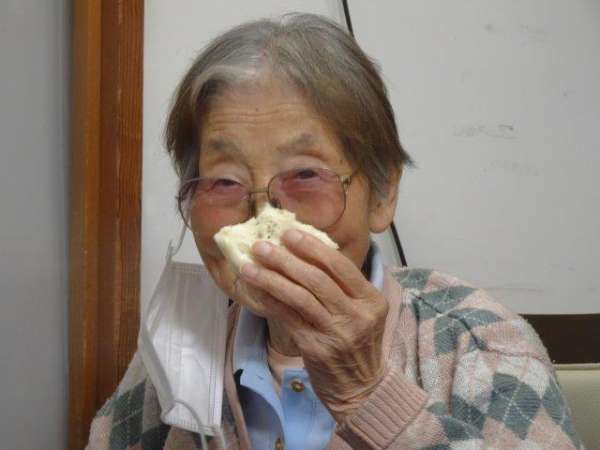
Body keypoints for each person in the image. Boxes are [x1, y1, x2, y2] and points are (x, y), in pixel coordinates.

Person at [87, 13, 583, 450]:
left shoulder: (477, 343)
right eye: (224, 181)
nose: (262, 218)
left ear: (382, 193)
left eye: (306, 174)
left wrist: (369, 394)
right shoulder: (178, 346)